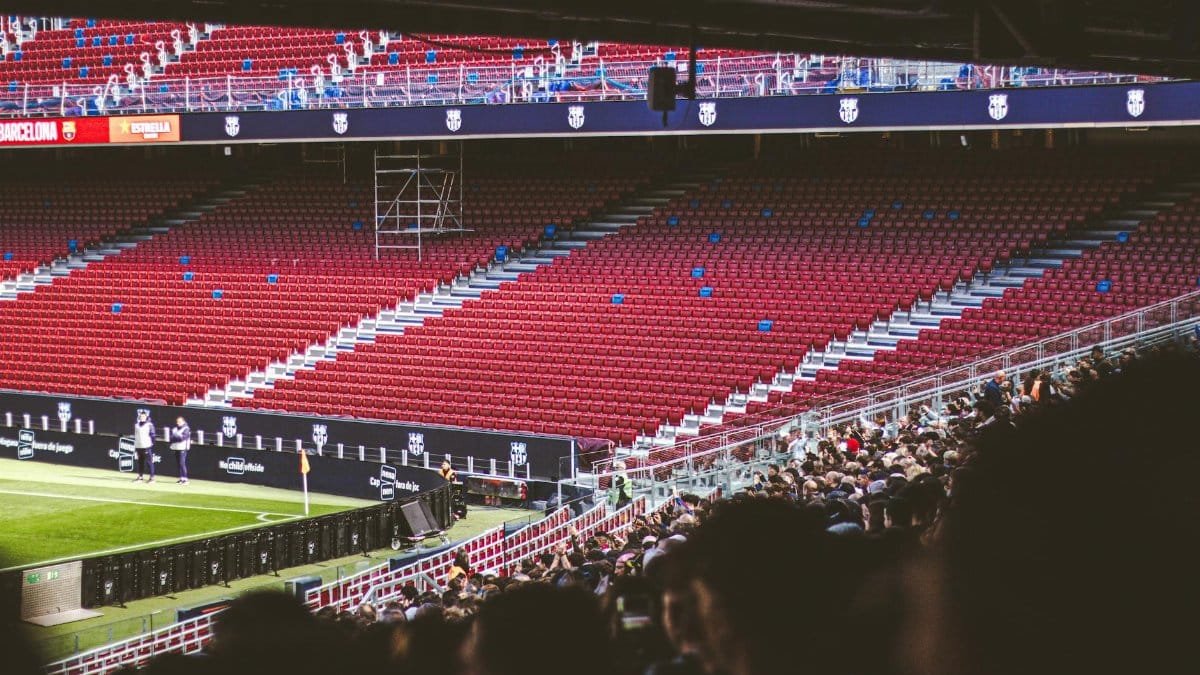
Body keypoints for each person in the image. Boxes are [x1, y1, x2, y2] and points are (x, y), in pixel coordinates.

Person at [132, 408, 156, 483]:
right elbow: (136, 435)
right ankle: (140, 477)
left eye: (144, 416)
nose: (142, 417)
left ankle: (152, 478)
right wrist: (136, 444)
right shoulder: (136, 425)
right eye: (141, 416)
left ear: (146, 417)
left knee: (149, 462)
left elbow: (153, 435)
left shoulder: (149, 425)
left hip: (146, 446)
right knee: (140, 462)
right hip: (139, 446)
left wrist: (151, 443)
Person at [169, 416, 191, 485]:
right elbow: (171, 438)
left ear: (183, 422)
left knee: (182, 463)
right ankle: (181, 478)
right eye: (177, 422)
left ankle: (185, 479)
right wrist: (176, 437)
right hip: (176, 447)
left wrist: (176, 437)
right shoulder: (174, 429)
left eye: (180, 422)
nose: (178, 423)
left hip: (183, 448)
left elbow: (183, 438)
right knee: (179, 464)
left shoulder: (186, 428)